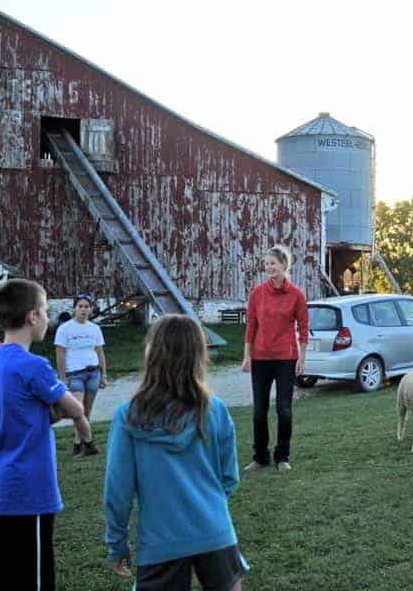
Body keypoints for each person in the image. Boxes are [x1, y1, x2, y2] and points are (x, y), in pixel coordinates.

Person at [104, 315, 246, 591]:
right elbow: (229, 478)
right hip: (215, 532)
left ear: (152, 353)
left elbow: (118, 491)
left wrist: (117, 543)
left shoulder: (129, 416)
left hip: (160, 541)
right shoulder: (215, 410)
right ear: (198, 356)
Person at [0, 279, 87, 590]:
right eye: (46, 311)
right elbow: (75, 408)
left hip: (0, 486)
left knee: (4, 578)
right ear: (32, 316)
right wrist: (60, 407)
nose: (47, 318)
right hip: (28, 489)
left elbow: (17, 415)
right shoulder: (33, 365)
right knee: (35, 579)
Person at [241, 245, 309, 473]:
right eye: (266, 263)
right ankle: (260, 457)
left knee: (284, 410)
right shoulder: (257, 294)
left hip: (285, 359)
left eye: (272, 263)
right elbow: (251, 326)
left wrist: (302, 358)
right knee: (259, 411)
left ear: (284, 265)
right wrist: (247, 356)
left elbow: (304, 327)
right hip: (260, 359)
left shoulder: (296, 294)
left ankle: (282, 457)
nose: (268, 267)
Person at [54, 293, 107, 456]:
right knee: (78, 411)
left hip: (93, 373)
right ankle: (89, 444)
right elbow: (60, 354)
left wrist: (104, 375)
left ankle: (78, 443)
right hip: (74, 374)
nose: (83, 310)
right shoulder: (65, 329)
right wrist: (62, 377)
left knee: (86, 412)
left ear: (91, 309)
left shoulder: (94, 329)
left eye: (87, 307)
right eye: (80, 306)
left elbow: (100, 352)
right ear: (74, 308)